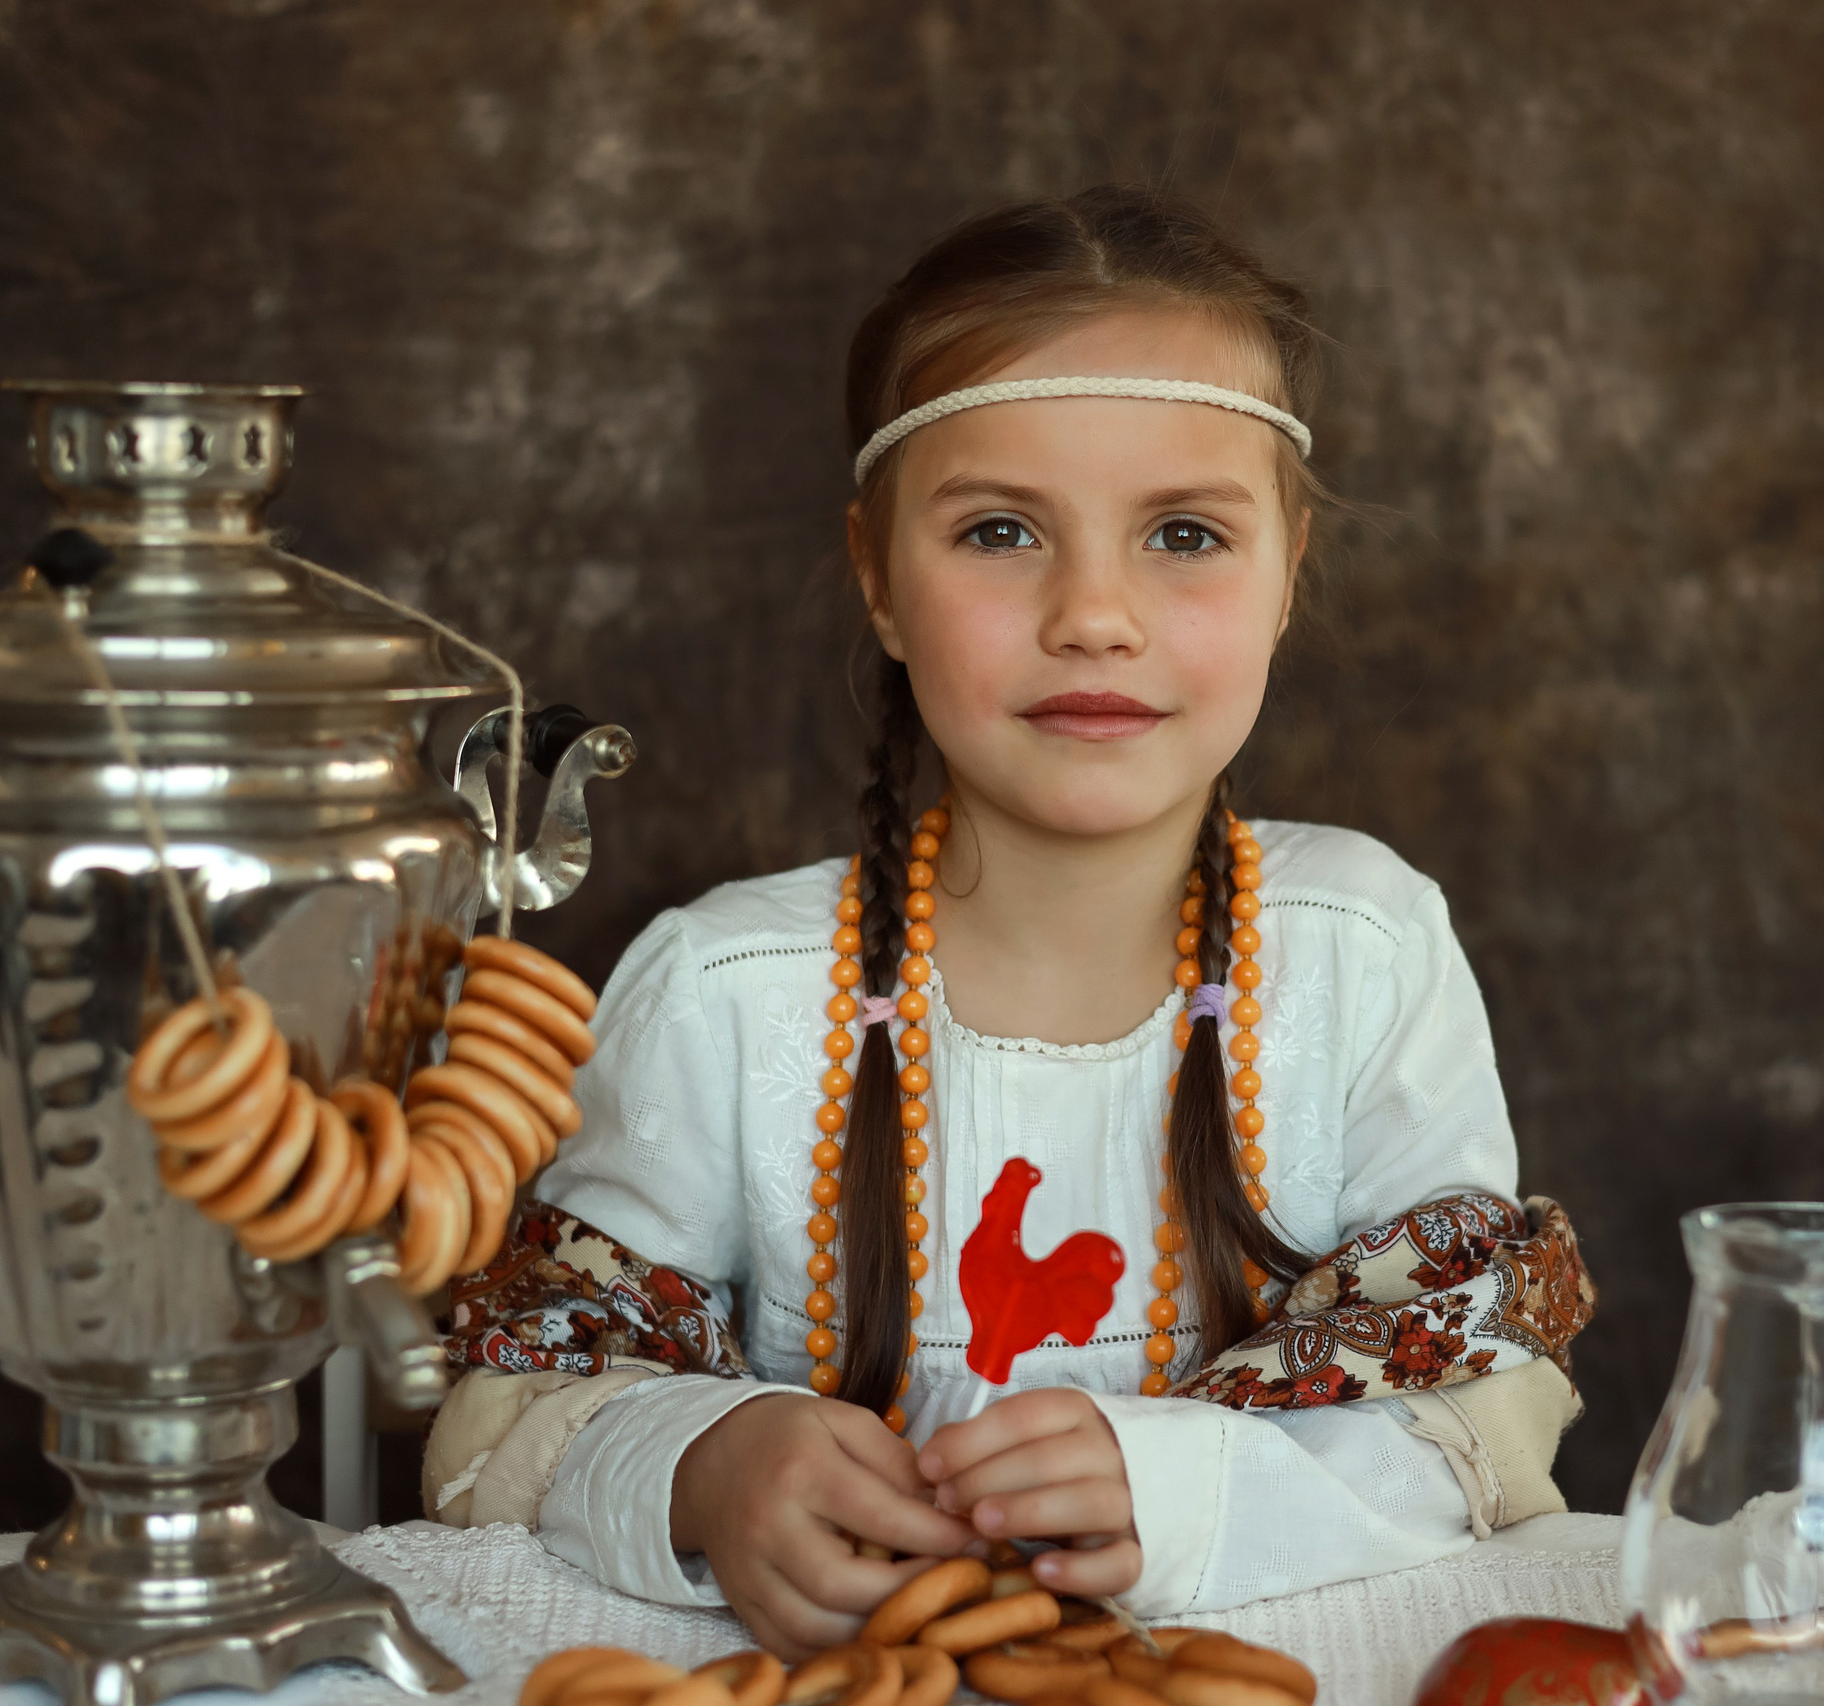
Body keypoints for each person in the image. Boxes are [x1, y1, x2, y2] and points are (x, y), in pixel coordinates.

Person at [424, 184, 1595, 1659]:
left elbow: (1485, 1416)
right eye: (997, 530)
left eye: (1182, 531)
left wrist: (1193, 1488)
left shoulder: (1362, 949)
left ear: (1292, 564)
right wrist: (702, 1465)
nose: (1094, 613)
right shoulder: (727, 991)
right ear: (879, 576)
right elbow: (503, 1423)